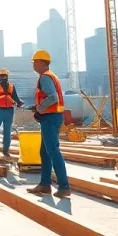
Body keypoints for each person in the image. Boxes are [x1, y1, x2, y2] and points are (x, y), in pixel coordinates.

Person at [26, 50, 71, 198]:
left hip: (50, 118)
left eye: (34, 62)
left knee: (52, 151)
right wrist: (37, 107)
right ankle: (45, 184)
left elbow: (53, 97)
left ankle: (64, 186)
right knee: (45, 152)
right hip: (52, 117)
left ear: (41, 62)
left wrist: (39, 109)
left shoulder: (45, 77)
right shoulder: (50, 76)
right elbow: (49, 98)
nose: (33, 65)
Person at [0, 68, 23, 160]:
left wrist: (19, 103)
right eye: (1, 76)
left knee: (7, 132)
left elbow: (16, 98)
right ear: (0, 77)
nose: (3, 78)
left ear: (6, 76)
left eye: (4, 76)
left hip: (9, 111)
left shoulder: (11, 86)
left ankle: (5, 151)